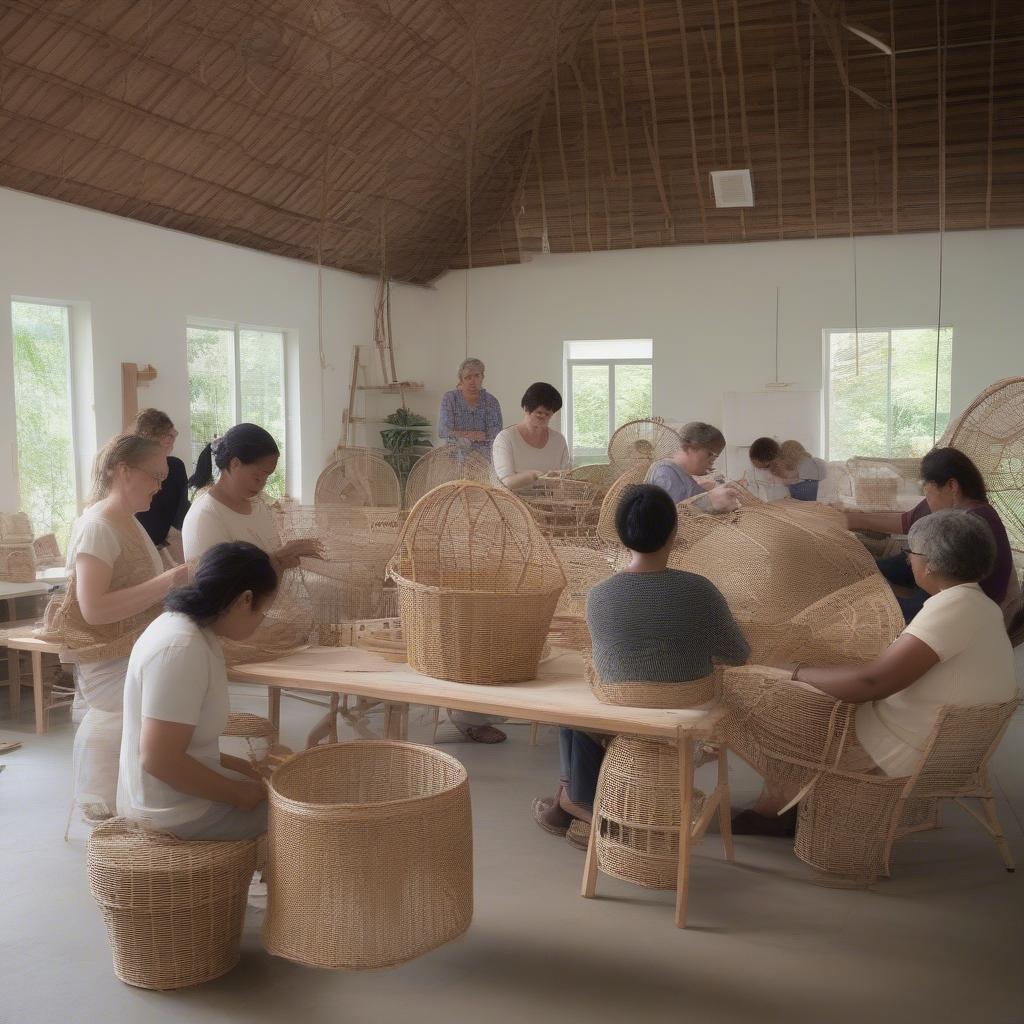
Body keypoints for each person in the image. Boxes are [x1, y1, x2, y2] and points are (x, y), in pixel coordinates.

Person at [730, 509, 1018, 837]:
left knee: (771, 708)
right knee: (811, 697)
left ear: (933, 563)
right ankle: (788, 804)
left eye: (912, 554)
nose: (909, 561)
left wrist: (795, 672)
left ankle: (776, 811)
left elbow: (872, 683)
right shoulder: (978, 604)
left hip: (905, 749)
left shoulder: (954, 609)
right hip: (939, 741)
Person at [533, 485, 749, 845]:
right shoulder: (699, 591)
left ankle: (575, 801)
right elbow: (738, 653)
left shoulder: (600, 595)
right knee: (579, 713)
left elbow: (610, 658)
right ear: (673, 532)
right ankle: (576, 804)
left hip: (622, 704)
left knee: (575, 712)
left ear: (620, 534)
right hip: (687, 708)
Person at [57, 435, 189, 820]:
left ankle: (162, 796)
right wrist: (169, 581)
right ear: (123, 470)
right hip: (110, 662)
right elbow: (93, 609)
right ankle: (155, 801)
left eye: (163, 479)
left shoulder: (128, 522)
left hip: (133, 651)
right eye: (154, 477)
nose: (159, 487)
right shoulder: (98, 525)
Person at [118, 542, 276, 840]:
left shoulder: (188, 628)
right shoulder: (182, 647)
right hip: (173, 811)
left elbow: (192, 748)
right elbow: (158, 760)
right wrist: (238, 793)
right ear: (245, 600)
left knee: (277, 795)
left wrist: (251, 772)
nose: (263, 620)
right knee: (305, 821)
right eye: (264, 610)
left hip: (175, 797)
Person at [845, 447, 1013, 623]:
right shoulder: (951, 508)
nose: (927, 499)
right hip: (951, 582)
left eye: (927, 491)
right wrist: (851, 519)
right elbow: (906, 521)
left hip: (968, 607)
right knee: (871, 570)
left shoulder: (971, 523)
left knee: (875, 611)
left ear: (952, 486)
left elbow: (947, 579)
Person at [182, 423, 320, 568]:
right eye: (257, 477)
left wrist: (286, 557)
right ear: (235, 464)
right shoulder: (205, 517)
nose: (262, 484)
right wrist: (277, 558)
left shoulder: (259, 504)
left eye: (267, 477)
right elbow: (218, 584)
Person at [132, 408, 190, 560]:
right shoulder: (131, 470)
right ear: (165, 438)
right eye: (171, 435)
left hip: (160, 546)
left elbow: (182, 515)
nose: (173, 440)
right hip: (143, 548)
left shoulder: (175, 467)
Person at [645, 422, 741, 512]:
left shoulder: (678, 473)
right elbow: (675, 516)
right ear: (688, 447)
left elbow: (687, 498)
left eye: (714, 459)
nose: (711, 463)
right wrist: (710, 501)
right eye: (710, 455)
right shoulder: (665, 472)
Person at [491, 382, 571, 491]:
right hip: (515, 504)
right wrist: (533, 476)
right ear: (526, 409)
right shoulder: (505, 438)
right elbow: (506, 481)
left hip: (550, 504)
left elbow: (566, 478)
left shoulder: (558, 441)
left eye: (547, 415)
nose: (543, 418)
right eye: (539, 413)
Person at [437, 358, 503, 457]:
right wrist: (474, 435)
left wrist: (459, 434)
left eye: (477, 376)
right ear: (461, 380)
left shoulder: (491, 401)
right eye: (468, 377)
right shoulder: (450, 398)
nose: (473, 381)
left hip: (484, 460)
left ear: (482, 377)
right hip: (454, 458)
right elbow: (443, 431)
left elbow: (495, 434)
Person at [748, 437, 827, 501]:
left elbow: (792, 475)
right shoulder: (785, 454)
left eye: (766, 468)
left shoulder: (787, 459)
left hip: (811, 479)